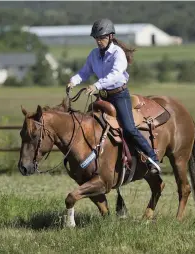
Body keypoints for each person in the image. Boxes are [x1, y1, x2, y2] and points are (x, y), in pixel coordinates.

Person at [67, 18, 161, 174]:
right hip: (103, 97)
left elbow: (115, 75)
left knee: (129, 129)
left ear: (110, 36)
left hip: (119, 96)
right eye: (96, 38)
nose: (98, 41)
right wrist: (73, 81)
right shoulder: (94, 54)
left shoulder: (118, 53)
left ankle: (152, 158)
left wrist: (96, 85)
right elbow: (84, 72)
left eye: (101, 38)